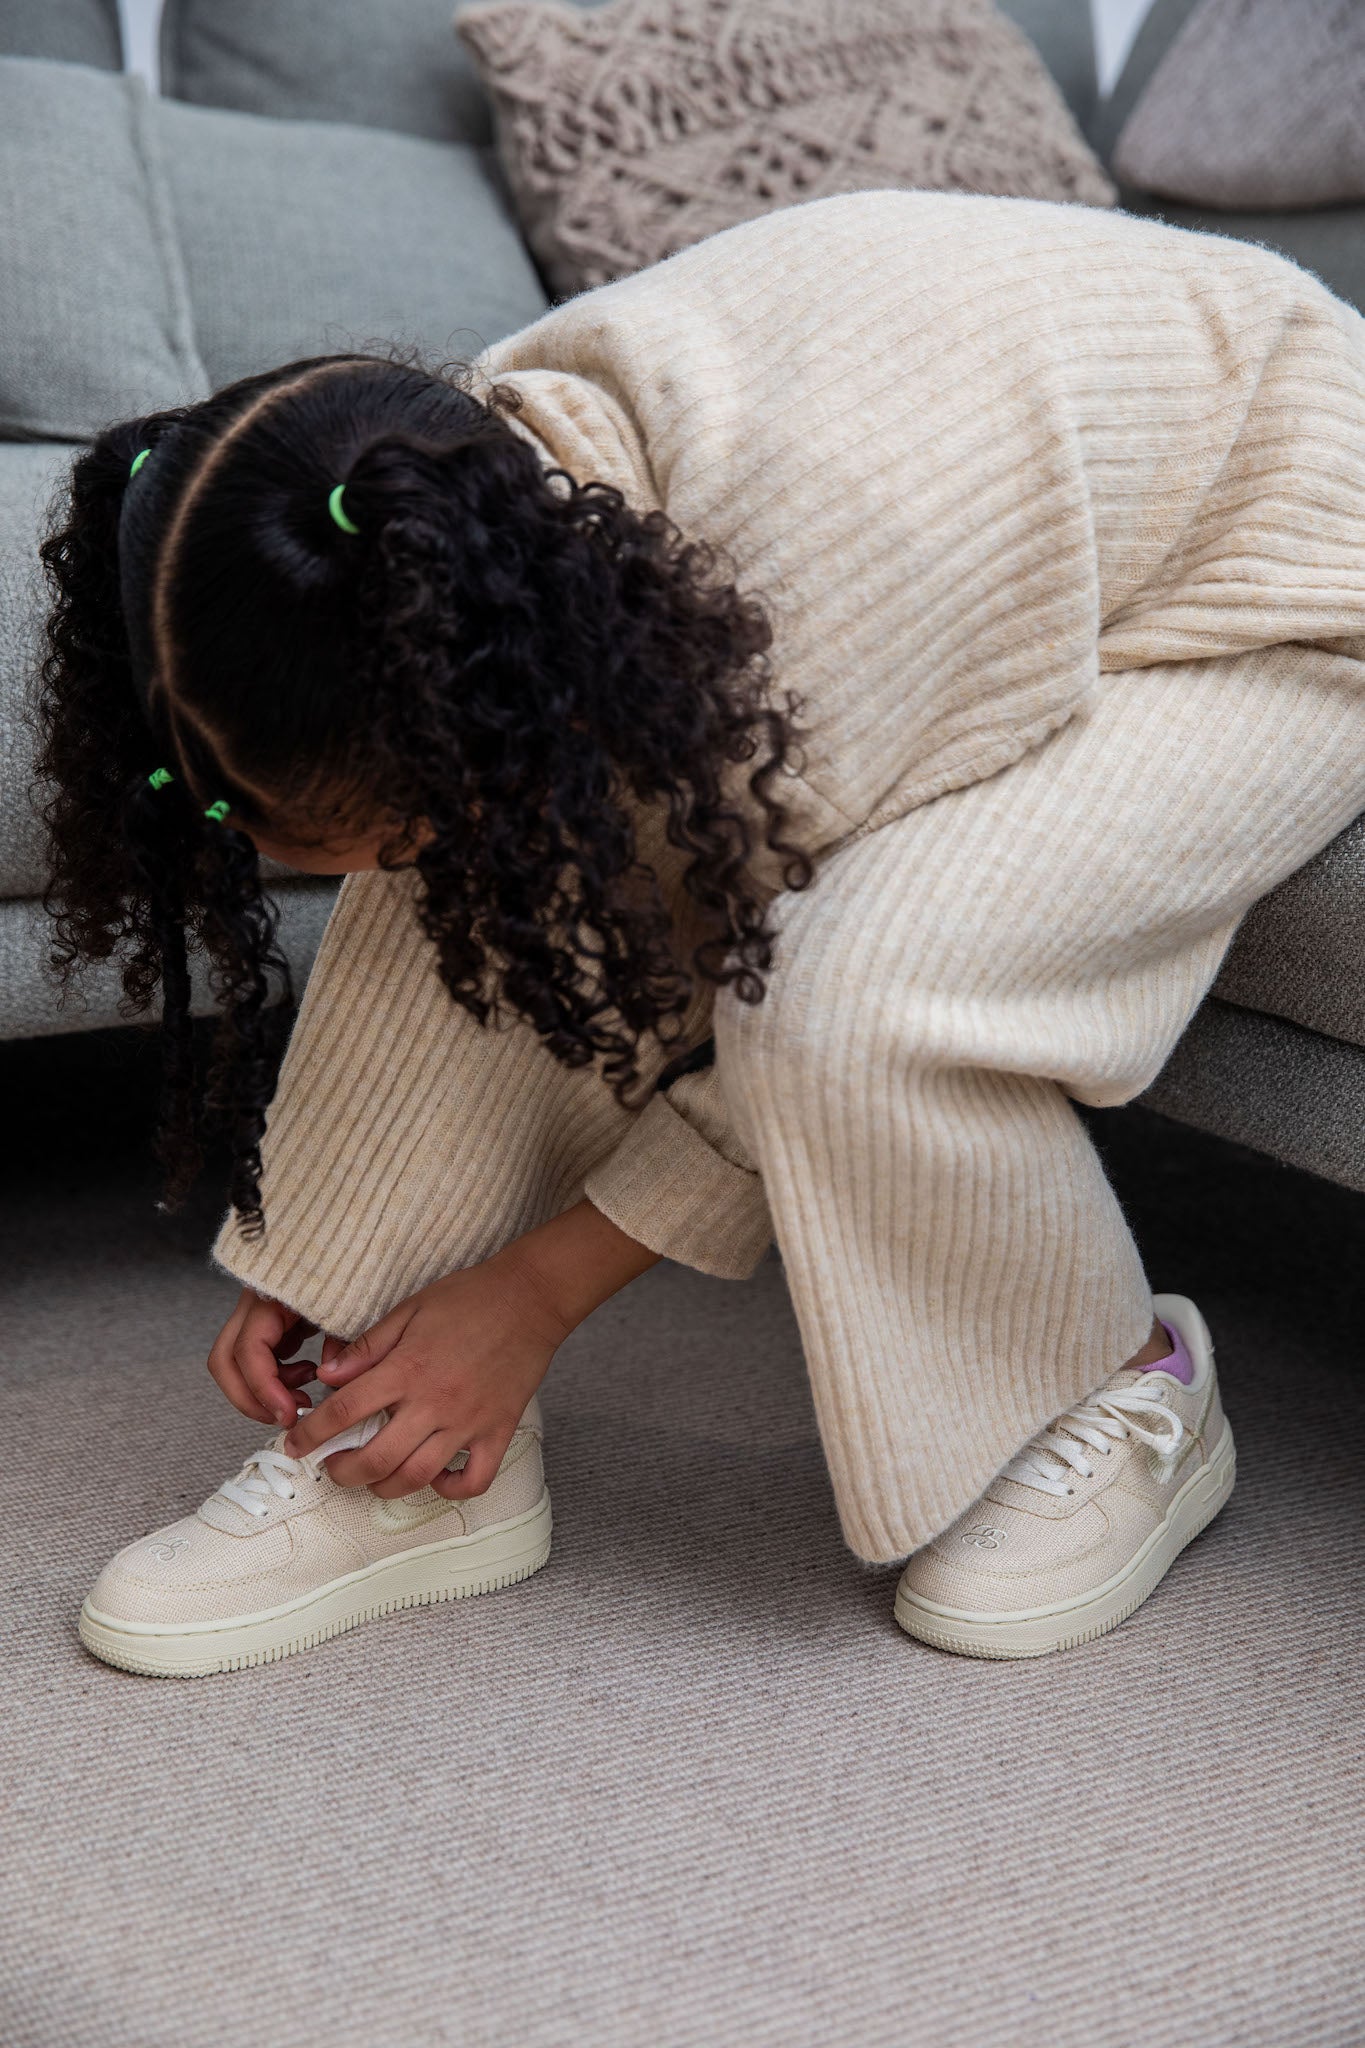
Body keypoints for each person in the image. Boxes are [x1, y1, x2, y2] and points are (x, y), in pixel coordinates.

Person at [37, 188, 1365, 1679]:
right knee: (495, 851)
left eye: (303, 826)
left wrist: (527, 1297)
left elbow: (752, 953)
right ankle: (395, 1438)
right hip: (1016, 533)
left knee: (857, 992)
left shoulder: (827, 580)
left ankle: (1126, 1386)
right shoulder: (437, 524)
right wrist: (344, 1255)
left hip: (1274, 576)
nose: (270, 857)